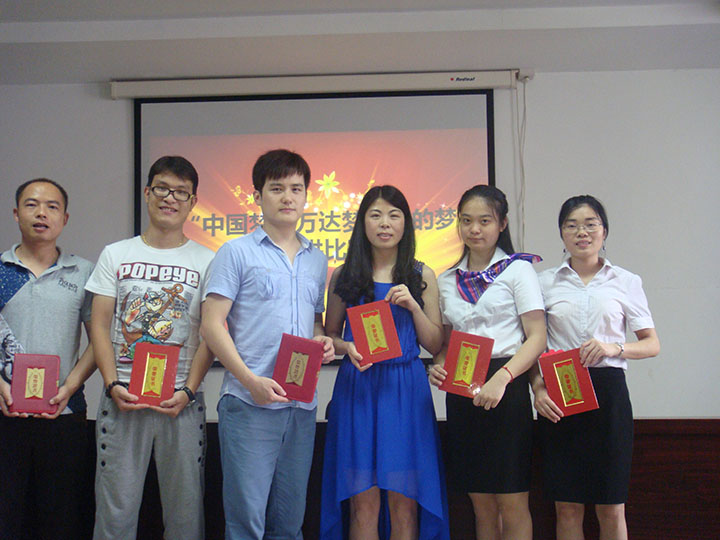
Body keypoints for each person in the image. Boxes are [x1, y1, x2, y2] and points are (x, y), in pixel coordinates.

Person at [200, 149, 334, 540]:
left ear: (306, 195)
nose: (287, 197)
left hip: (301, 406)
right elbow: (211, 325)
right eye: (277, 188)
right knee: (246, 522)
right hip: (248, 402)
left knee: (289, 522)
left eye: (296, 188)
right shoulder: (235, 252)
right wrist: (249, 380)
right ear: (257, 195)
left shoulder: (316, 259)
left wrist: (323, 342)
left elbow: (314, 323)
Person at [86, 156, 215, 540]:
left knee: (185, 515)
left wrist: (188, 390)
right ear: (147, 193)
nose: (169, 198)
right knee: (115, 515)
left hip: (182, 402)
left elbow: (211, 334)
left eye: (181, 192)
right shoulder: (116, 254)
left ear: (193, 202)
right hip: (122, 399)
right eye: (162, 188)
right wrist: (112, 384)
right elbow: (100, 325)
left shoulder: (208, 260)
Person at [320, 185, 450, 540]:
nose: (384, 223)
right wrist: (347, 347)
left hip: (405, 389)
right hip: (358, 389)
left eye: (394, 215)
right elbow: (330, 335)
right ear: (362, 222)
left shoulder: (422, 275)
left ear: (406, 223)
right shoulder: (343, 275)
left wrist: (413, 306)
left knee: (403, 502)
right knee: (363, 504)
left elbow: (434, 342)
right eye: (375, 215)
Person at [530, 195, 660, 540]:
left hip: (609, 394)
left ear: (604, 231)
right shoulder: (543, 283)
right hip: (561, 393)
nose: (581, 232)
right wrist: (538, 388)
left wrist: (613, 347)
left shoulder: (626, 281)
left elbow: (652, 344)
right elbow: (532, 344)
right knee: (567, 507)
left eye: (590, 224)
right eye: (571, 225)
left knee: (611, 505)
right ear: (562, 233)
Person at [428, 184, 546, 540]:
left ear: (502, 224)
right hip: (464, 386)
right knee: (480, 502)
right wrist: (439, 363)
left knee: (512, 500)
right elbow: (447, 340)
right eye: (466, 221)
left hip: (507, 385)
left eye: (484, 221)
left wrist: (503, 378)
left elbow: (537, 337)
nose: (474, 229)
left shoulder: (518, 271)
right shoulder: (446, 280)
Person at [0, 178, 95, 540]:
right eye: (32, 204)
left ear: (65, 218)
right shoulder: (1, 269)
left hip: (64, 413)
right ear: (16, 213)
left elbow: (98, 342)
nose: (42, 213)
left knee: (61, 518)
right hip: (5, 413)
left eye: (52, 206)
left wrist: (70, 386)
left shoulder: (84, 272)